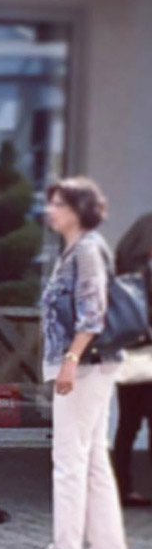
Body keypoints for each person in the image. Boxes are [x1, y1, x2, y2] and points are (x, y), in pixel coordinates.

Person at [20, 177, 126, 549]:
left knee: (69, 459)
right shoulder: (76, 250)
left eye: (59, 204)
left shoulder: (87, 251)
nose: (50, 210)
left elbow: (92, 314)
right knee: (93, 456)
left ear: (80, 210)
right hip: (89, 365)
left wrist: (70, 361)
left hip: (85, 366)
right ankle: (108, 548)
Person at [112, 212, 152, 507]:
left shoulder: (123, 281)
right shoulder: (141, 280)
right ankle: (124, 488)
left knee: (128, 424)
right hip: (143, 355)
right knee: (135, 424)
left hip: (129, 355)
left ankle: (122, 488)